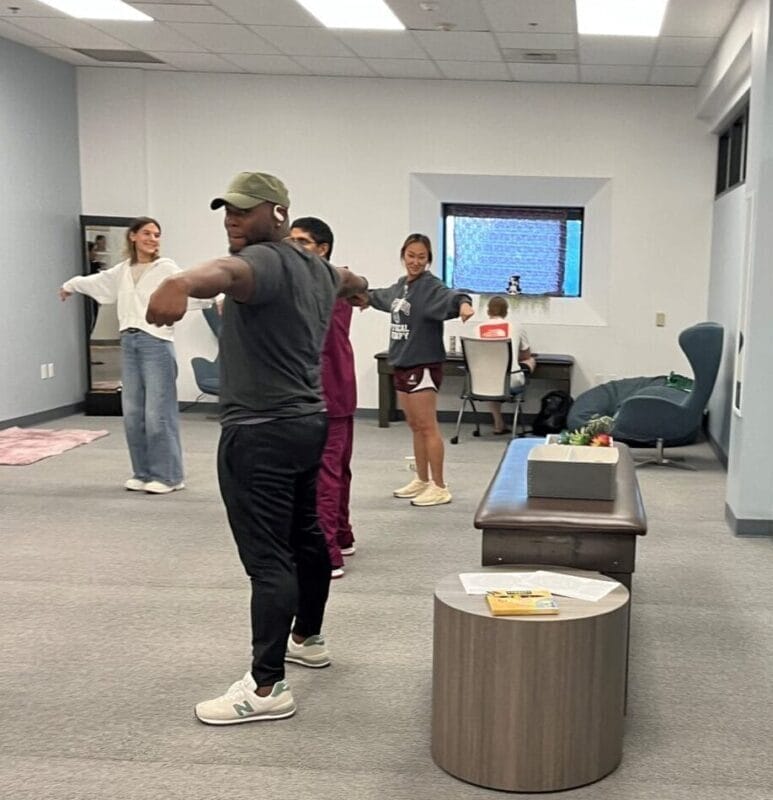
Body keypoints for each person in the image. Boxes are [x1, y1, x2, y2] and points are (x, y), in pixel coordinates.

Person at [145, 171, 368, 725]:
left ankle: (266, 687)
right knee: (307, 535)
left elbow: (222, 272)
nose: (232, 220)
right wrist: (361, 287)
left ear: (278, 213)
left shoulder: (265, 260)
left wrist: (177, 284)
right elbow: (351, 276)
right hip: (305, 424)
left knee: (270, 558)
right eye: (227, 212)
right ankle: (309, 638)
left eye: (244, 211)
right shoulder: (318, 266)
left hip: (259, 433)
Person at [60, 217, 205, 494]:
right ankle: (142, 472)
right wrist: (71, 285)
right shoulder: (123, 270)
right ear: (133, 237)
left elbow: (189, 287)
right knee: (133, 412)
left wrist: (218, 299)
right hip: (129, 342)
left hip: (156, 343)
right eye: (147, 233)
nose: (153, 238)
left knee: (157, 413)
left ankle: (169, 476)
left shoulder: (166, 268)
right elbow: (97, 282)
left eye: (157, 234)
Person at [356, 233, 474, 507]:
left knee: (428, 426)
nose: (415, 261)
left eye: (422, 257)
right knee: (415, 426)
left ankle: (440, 485)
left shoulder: (431, 288)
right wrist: (362, 298)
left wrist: (465, 306)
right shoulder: (402, 287)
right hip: (401, 362)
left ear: (429, 259)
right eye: (411, 255)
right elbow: (380, 297)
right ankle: (422, 479)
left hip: (423, 363)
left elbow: (454, 297)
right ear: (403, 255)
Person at [288, 216, 356, 579]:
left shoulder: (321, 286)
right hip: (336, 389)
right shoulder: (340, 283)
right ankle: (342, 536)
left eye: (302, 242)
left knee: (326, 477)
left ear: (322, 248)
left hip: (323, 393)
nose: (294, 247)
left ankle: (328, 553)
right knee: (338, 471)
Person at [477, 295, 536, 434]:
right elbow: (526, 355)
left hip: (482, 383)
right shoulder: (516, 327)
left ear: (488, 311)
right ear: (506, 311)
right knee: (531, 361)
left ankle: (498, 423)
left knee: (492, 377)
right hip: (510, 381)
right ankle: (520, 397)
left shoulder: (477, 329)